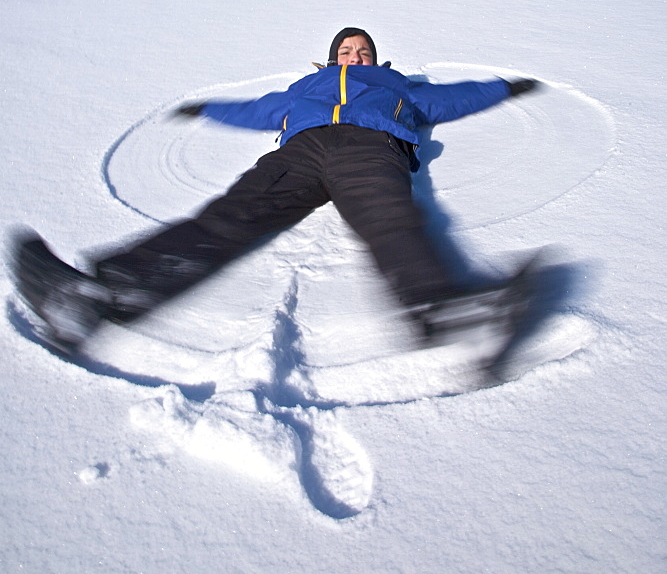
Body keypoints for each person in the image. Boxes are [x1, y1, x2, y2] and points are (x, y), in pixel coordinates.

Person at [14, 27, 541, 355]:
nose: (353, 56)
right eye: (344, 50)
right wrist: (211, 109)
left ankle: (445, 310)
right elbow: (261, 109)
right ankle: (98, 296)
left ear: (376, 60)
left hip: (371, 147)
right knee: (228, 217)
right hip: (300, 153)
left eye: (362, 51)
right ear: (331, 58)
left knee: (389, 218)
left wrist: (502, 88)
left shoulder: (399, 86)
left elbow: (456, 98)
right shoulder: (303, 89)